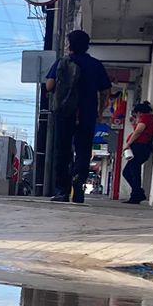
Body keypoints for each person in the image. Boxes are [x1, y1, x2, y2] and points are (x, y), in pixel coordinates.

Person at [43, 30, 112, 204]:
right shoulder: (95, 65)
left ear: (70, 45)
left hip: (65, 112)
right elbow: (105, 91)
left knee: (62, 151)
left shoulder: (62, 62)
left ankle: (62, 191)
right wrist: (100, 111)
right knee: (83, 151)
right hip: (86, 113)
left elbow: (49, 85)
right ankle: (78, 184)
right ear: (87, 45)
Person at [123, 101, 153, 204]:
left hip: (140, 147)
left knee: (132, 172)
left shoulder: (146, 118)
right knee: (131, 171)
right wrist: (134, 122)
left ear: (139, 112)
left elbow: (139, 131)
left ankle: (137, 194)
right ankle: (138, 193)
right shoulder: (148, 118)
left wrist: (128, 144)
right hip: (141, 147)